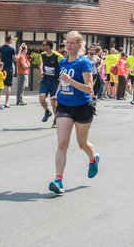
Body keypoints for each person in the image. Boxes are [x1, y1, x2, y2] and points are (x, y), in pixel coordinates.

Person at [49, 31, 99, 194]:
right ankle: (58, 180)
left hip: (83, 106)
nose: (68, 45)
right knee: (62, 143)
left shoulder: (83, 63)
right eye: (67, 42)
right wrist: (56, 94)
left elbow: (89, 88)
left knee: (81, 143)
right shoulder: (63, 62)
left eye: (72, 43)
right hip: (64, 105)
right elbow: (61, 82)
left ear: (79, 46)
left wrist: (70, 81)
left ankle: (93, 159)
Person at [38, 39, 62, 128]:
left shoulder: (57, 56)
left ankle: (56, 119)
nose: (42, 46)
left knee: (53, 102)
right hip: (46, 80)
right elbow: (40, 62)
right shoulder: (42, 55)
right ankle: (47, 111)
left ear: (48, 46)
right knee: (41, 98)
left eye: (44, 45)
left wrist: (61, 75)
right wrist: (41, 70)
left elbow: (64, 65)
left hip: (55, 81)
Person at [0, 34, 20, 108]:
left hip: (1, 68)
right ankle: (6, 102)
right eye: (12, 39)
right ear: (10, 40)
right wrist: (19, 51)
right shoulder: (12, 49)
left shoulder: (1, 47)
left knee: (0, 85)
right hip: (9, 68)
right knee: (8, 86)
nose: (12, 41)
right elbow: (16, 59)